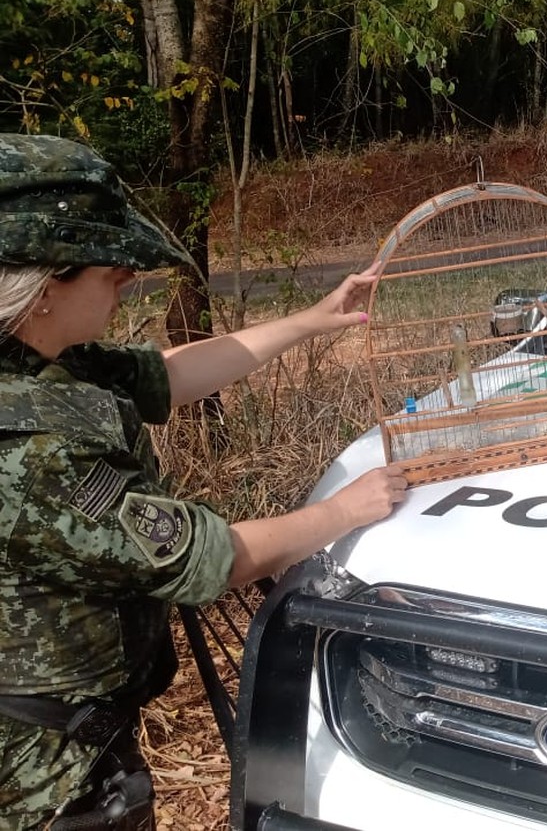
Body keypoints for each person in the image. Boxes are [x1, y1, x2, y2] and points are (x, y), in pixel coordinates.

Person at [0, 133, 410, 830]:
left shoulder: (41, 360)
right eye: (110, 269)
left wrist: (313, 320)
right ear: (44, 287)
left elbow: (175, 373)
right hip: (49, 778)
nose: (129, 278)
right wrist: (347, 508)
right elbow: (209, 559)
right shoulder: (28, 451)